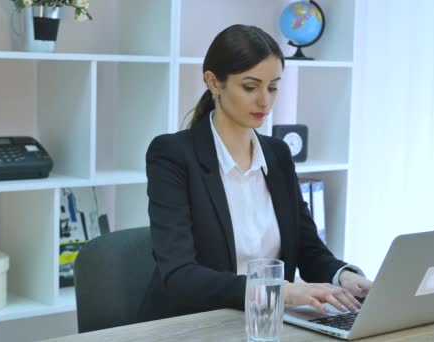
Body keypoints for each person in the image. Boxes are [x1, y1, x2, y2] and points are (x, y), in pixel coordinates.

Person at [138, 24, 372, 322]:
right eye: (250, 87)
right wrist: (280, 292)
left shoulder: (277, 154)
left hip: (265, 322)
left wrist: (345, 278)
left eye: (273, 87)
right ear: (213, 82)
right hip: (193, 324)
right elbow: (181, 276)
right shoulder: (172, 154)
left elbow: (308, 249)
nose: (265, 100)